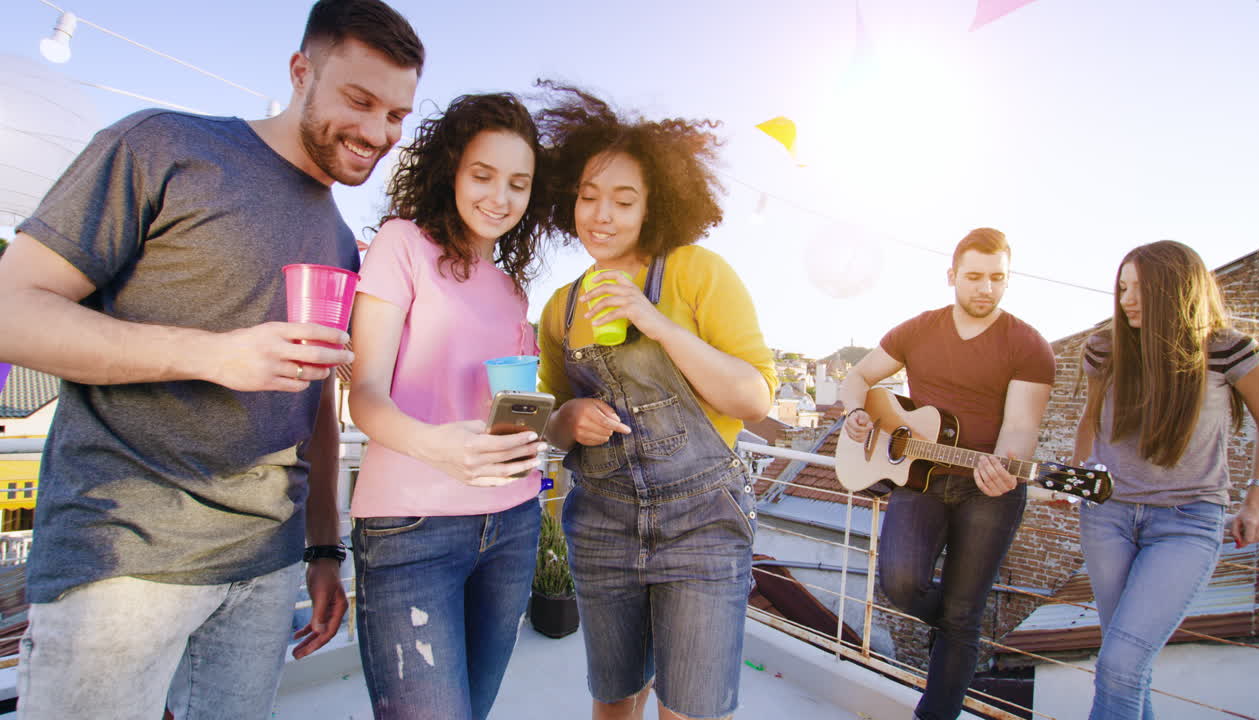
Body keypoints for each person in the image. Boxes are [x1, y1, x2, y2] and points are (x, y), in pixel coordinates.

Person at [0, 2, 423, 717]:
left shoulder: (340, 238)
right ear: (300, 72)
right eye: (360, 101)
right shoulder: (162, 146)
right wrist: (214, 355)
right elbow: (14, 311)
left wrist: (323, 552)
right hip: (123, 561)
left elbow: (314, 401)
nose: (378, 132)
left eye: (396, 115)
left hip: (264, 570)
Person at [536, 84, 777, 720]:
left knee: (690, 709)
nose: (602, 215)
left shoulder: (697, 272)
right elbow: (552, 422)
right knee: (614, 699)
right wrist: (569, 419)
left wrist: (658, 322)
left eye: (623, 199)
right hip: (602, 525)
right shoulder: (560, 307)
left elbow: (753, 397)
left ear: (653, 206)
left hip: (703, 525)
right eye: (588, 197)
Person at [346, 92, 550, 719]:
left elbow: (507, 404)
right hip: (412, 531)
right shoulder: (401, 245)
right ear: (451, 171)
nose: (499, 197)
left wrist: (527, 431)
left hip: (513, 524)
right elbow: (365, 398)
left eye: (518, 183)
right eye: (482, 175)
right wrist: (442, 448)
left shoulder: (514, 290)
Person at [840, 228, 1055, 720]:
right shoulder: (918, 329)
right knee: (899, 583)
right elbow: (859, 378)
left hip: (989, 489)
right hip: (919, 476)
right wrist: (855, 412)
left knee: (964, 615)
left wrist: (1003, 466)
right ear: (952, 275)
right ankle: (957, 625)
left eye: (997, 278)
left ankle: (939, 691)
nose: (985, 288)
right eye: (974, 276)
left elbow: (1021, 425)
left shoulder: (1028, 345)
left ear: (1008, 280)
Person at [1072, 240, 1259, 719]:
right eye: (1122, 288)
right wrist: (1078, 476)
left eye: (1141, 288)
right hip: (1108, 518)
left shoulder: (1231, 351)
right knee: (1124, 665)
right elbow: (1089, 421)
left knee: (1121, 663)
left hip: (1187, 524)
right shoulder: (1105, 348)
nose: (1126, 300)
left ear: (1176, 288)